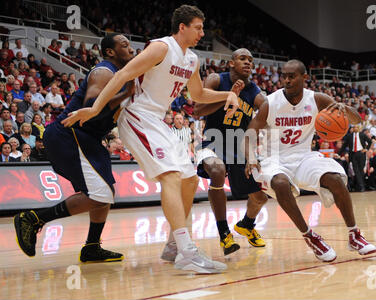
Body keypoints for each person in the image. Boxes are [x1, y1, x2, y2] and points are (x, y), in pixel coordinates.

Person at [62, 5, 240, 274]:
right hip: (137, 116)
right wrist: (95, 108)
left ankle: (173, 245)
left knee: (190, 179)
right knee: (170, 176)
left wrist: (227, 95)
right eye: (198, 27)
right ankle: (187, 251)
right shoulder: (161, 48)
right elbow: (123, 74)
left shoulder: (192, 59)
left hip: (158, 120)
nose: (203, 33)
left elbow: (198, 94)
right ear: (182, 27)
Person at [13, 34, 136, 263]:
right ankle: (32, 219)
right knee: (101, 194)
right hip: (69, 135)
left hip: (88, 139)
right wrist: (126, 95)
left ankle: (91, 247)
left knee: (105, 192)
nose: (131, 49)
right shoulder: (104, 72)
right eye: (125, 45)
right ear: (110, 52)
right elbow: (90, 106)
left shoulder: (123, 77)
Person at [244, 60, 376, 262]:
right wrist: (251, 157)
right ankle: (310, 236)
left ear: (304, 78)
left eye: (292, 76)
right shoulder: (270, 103)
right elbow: (249, 135)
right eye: (284, 76)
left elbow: (356, 120)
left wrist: (344, 108)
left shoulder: (317, 99)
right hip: (275, 158)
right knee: (280, 183)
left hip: (304, 155)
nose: (286, 80)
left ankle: (354, 234)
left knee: (335, 179)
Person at [193, 48, 268, 255]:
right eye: (242, 58)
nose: (248, 63)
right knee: (217, 172)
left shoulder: (253, 91)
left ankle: (246, 224)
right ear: (232, 63)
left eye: (251, 60)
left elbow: (268, 110)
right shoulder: (217, 79)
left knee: (260, 198)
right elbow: (198, 110)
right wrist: (229, 96)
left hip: (239, 146)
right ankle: (224, 233)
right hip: (212, 141)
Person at [341, 125, 372, 192]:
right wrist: (338, 153)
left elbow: (370, 141)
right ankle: (362, 187)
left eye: (357, 127)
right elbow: (344, 145)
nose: (355, 128)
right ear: (353, 128)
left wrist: (366, 149)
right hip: (353, 154)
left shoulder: (362, 135)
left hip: (361, 153)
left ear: (359, 128)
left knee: (361, 170)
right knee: (356, 170)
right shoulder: (349, 136)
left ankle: (359, 186)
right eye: (354, 127)